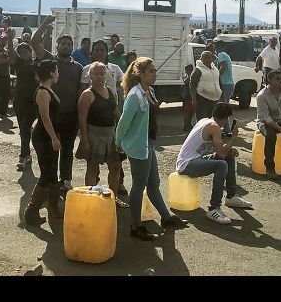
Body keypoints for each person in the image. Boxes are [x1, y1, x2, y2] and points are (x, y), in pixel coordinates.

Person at [116, 57, 188, 241]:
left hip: (147, 143)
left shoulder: (149, 91)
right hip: (139, 145)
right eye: (151, 71)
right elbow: (123, 123)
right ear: (140, 74)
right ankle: (135, 225)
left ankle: (166, 217)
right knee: (139, 186)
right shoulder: (135, 95)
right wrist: (118, 144)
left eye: (155, 70)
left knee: (153, 182)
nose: (155, 74)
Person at [176, 102, 252, 224]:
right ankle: (213, 208)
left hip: (195, 159)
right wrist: (233, 138)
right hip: (187, 165)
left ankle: (231, 197)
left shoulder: (205, 121)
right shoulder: (214, 127)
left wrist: (230, 150)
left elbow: (220, 150)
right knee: (222, 165)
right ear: (226, 118)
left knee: (228, 157)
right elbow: (221, 153)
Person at [31, 16, 82, 192]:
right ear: (57, 46)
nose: (66, 46)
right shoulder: (50, 60)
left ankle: (66, 180)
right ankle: (50, 183)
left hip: (70, 116)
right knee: (52, 151)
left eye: (69, 44)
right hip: (52, 116)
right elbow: (34, 41)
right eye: (63, 43)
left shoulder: (78, 67)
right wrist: (45, 24)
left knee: (67, 150)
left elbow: (80, 92)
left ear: (72, 47)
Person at [77, 62, 126, 207]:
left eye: (102, 73)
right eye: (96, 74)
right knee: (93, 168)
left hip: (111, 135)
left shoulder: (110, 91)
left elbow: (117, 113)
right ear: (89, 76)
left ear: (107, 75)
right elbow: (82, 119)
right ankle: (90, 199)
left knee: (116, 167)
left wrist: (123, 131)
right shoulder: (87, 95)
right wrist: (84, 140)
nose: (99, 76)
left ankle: (113, 198)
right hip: (94, 135)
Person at [23, 59, 63, 226]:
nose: (58, 74)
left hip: (49, 135)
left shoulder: (48, 90)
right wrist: (54, 138)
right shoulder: (43, 92)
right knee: (47, 174)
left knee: (53, 174)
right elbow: (45, 118)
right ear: (52, 73)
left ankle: (53, 208)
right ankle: (31, 211)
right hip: (44, 136)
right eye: (57, 70)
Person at [11, 42, 38, 170]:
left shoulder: (37, 64)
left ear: (30, 51)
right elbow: (11, 54)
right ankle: (26, 154)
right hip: (19, 100)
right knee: (23, 129)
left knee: (26, 126)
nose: (23, 55)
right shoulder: (18, 63)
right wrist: (10, 39)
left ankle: (23, 156)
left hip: (32, 101)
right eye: (20, 53)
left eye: (25, 52)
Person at [190, 51, 222, 121]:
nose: (207, 60)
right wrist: (194, 100)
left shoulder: (215, 69)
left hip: (215, 100)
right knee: (202, 121)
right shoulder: (198, 70)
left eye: (209, 58)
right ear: (201, 59)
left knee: (213, 120)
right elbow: (192, 85)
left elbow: (219, 83)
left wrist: (222, 97)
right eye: (205, 58)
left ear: (212, 59)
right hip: (202, 99)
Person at [214, 42, 235, 137]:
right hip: (228, 84)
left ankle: (227, 129)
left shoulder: (221, 54)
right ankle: (227, 129)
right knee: (224, 106)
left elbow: (223, 66)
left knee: (223, 107)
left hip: (225, 84)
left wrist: (215, 77)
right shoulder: (226, 55)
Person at [0, 33, 13, 117]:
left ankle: (3, 111)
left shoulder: (7, 51)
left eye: (5, 39)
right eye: (2, 39)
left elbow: (11, 61)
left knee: (6, 94)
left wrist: (6, 60)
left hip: (6, 75)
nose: (4, 41)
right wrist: (7, 59)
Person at [181, 64, 194, 132]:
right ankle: (186, 126)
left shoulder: (187, 77)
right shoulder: (187, 78)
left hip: (188, 97)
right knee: (187, 112)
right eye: (187, 70)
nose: (189, 71)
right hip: (187, 97)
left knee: (190, 112)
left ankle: (188, 125)